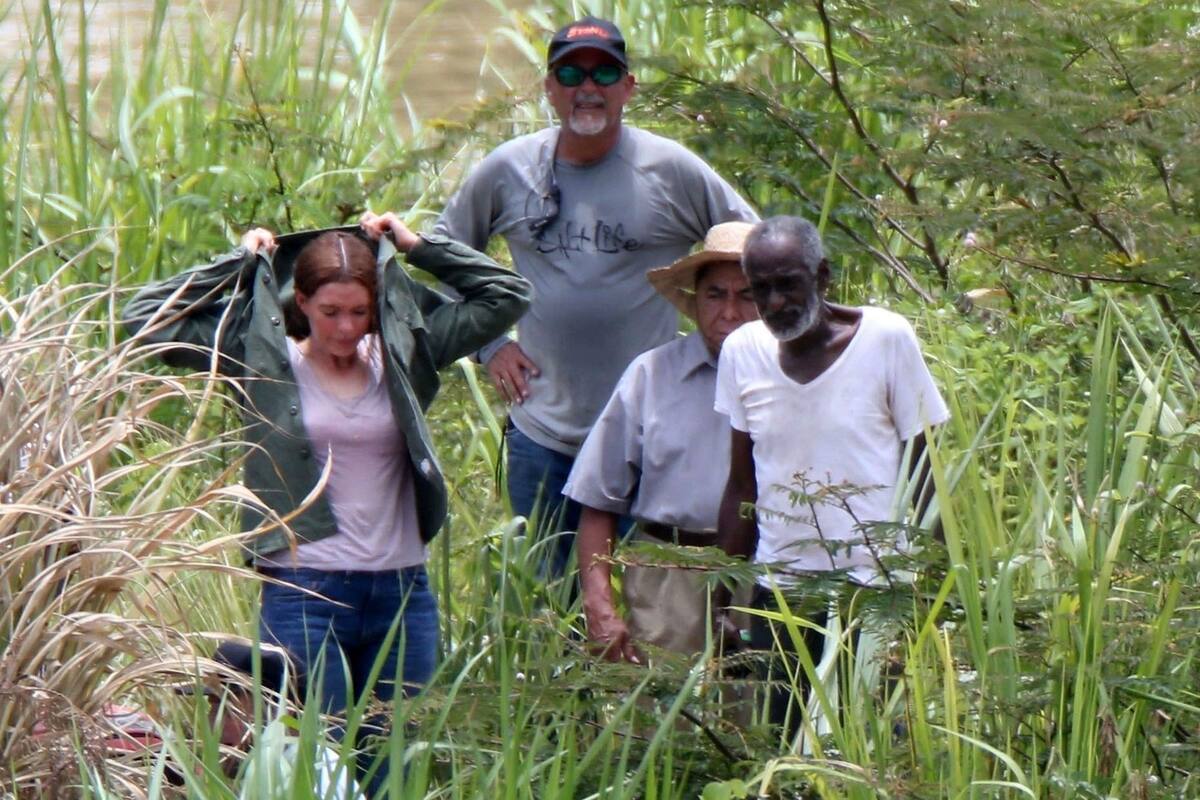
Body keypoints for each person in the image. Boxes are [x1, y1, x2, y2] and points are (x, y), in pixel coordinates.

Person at [122, 214, 531, 718]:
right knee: (321, 763)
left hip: (402, 594)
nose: (345, 327)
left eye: (359, 312)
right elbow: (143, 318)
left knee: (396, 766)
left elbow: (507, 295)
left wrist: (418, 246)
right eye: (330, 311)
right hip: (304, 593)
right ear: (303, 301)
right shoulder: (263, 357)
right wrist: (240, 264)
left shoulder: (401, 353)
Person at [433, 15, 758, 578]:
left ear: (628, 86)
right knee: (549, 605)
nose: (589, 87)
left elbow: (757, 248)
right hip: (543, 434)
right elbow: (437, 253)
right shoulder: (510, 169)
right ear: (550, 88)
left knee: (649, 605)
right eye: (572, 73)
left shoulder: (670, 170)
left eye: (605, 72)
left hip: (649, 434)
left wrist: (728, 340)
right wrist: (488, 345)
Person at [712, 216, 949, 734]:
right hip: (783, 595)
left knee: (869, 743)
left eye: (789, 284)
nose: (775, 303)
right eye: (762, 290)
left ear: (822, 276)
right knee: (785, 743)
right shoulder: (742, 352)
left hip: (874, 590)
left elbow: (924, 473)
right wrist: (723, 598)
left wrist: (936, 592)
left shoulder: (886, 339)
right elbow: (742, 486)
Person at [563, 222, 758, 663]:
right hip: (667, 576)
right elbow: (597, 499)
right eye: (715, 295)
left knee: (758, 716)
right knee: (663, 716)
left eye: (747, 295)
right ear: (694, 301)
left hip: (761, 574)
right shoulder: (652, 376)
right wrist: (599, 607)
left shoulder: (791, 380)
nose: (729, 311)